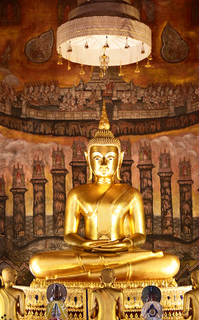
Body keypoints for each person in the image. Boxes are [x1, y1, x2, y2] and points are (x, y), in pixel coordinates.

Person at [29, 102, 180, 282]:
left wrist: (127, 244)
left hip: (121, 255)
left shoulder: (131, 193)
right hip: (88, 255)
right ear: (87, 159)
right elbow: (69, 235)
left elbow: (140, 235)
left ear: (120, 159)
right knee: (38, 263)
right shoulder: (77, 193)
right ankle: (102, 274)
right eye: (97, 158)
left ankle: (87, 276)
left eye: (109, 158)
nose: (102, 164)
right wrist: (85, 244)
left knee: (170, 263)